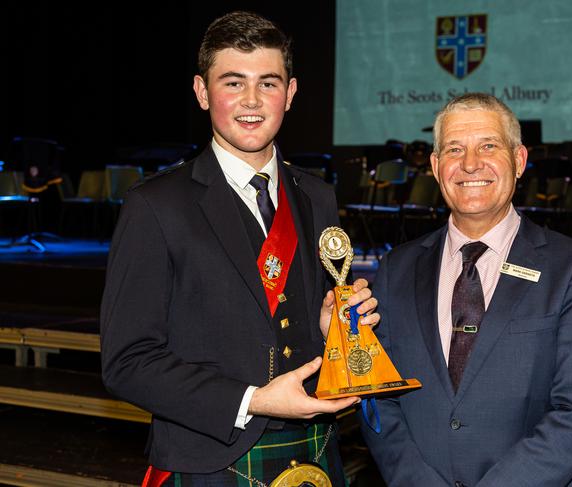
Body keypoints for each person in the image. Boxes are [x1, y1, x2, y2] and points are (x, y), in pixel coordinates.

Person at [100, 11, 378, 486]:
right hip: (210, 458)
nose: (252, 102)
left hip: (315, 447)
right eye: (233, 83)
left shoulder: (316, 196)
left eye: (268, 83)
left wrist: (331, 326)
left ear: (290, 94)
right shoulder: (156, 205)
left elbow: (296, 319)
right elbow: (127, 362)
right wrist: (252, 400)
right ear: (202, 92)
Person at [361, 93, 572, 486]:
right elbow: (378, 399)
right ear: (435, 165)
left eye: (488, 146)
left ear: (519, 160)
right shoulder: (396, 269)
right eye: (454, 149)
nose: (470, 164)